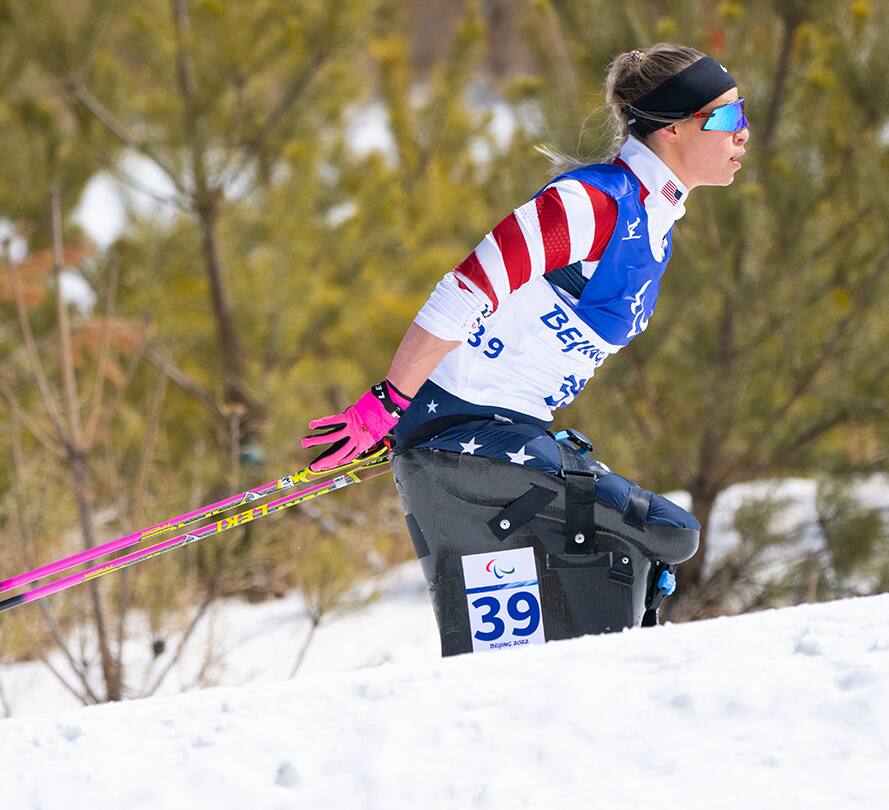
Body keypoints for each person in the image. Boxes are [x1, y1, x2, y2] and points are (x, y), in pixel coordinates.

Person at [302, 44, 750, 654]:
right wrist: (391, 400)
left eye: (742, 113)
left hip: (500, 433)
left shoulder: (655, 223)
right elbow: (465, 290)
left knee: (655, 547)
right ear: (671, 128)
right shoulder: (590, 205)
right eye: (724, 118)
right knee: (666, 535)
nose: (742, 132)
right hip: (465, 439)